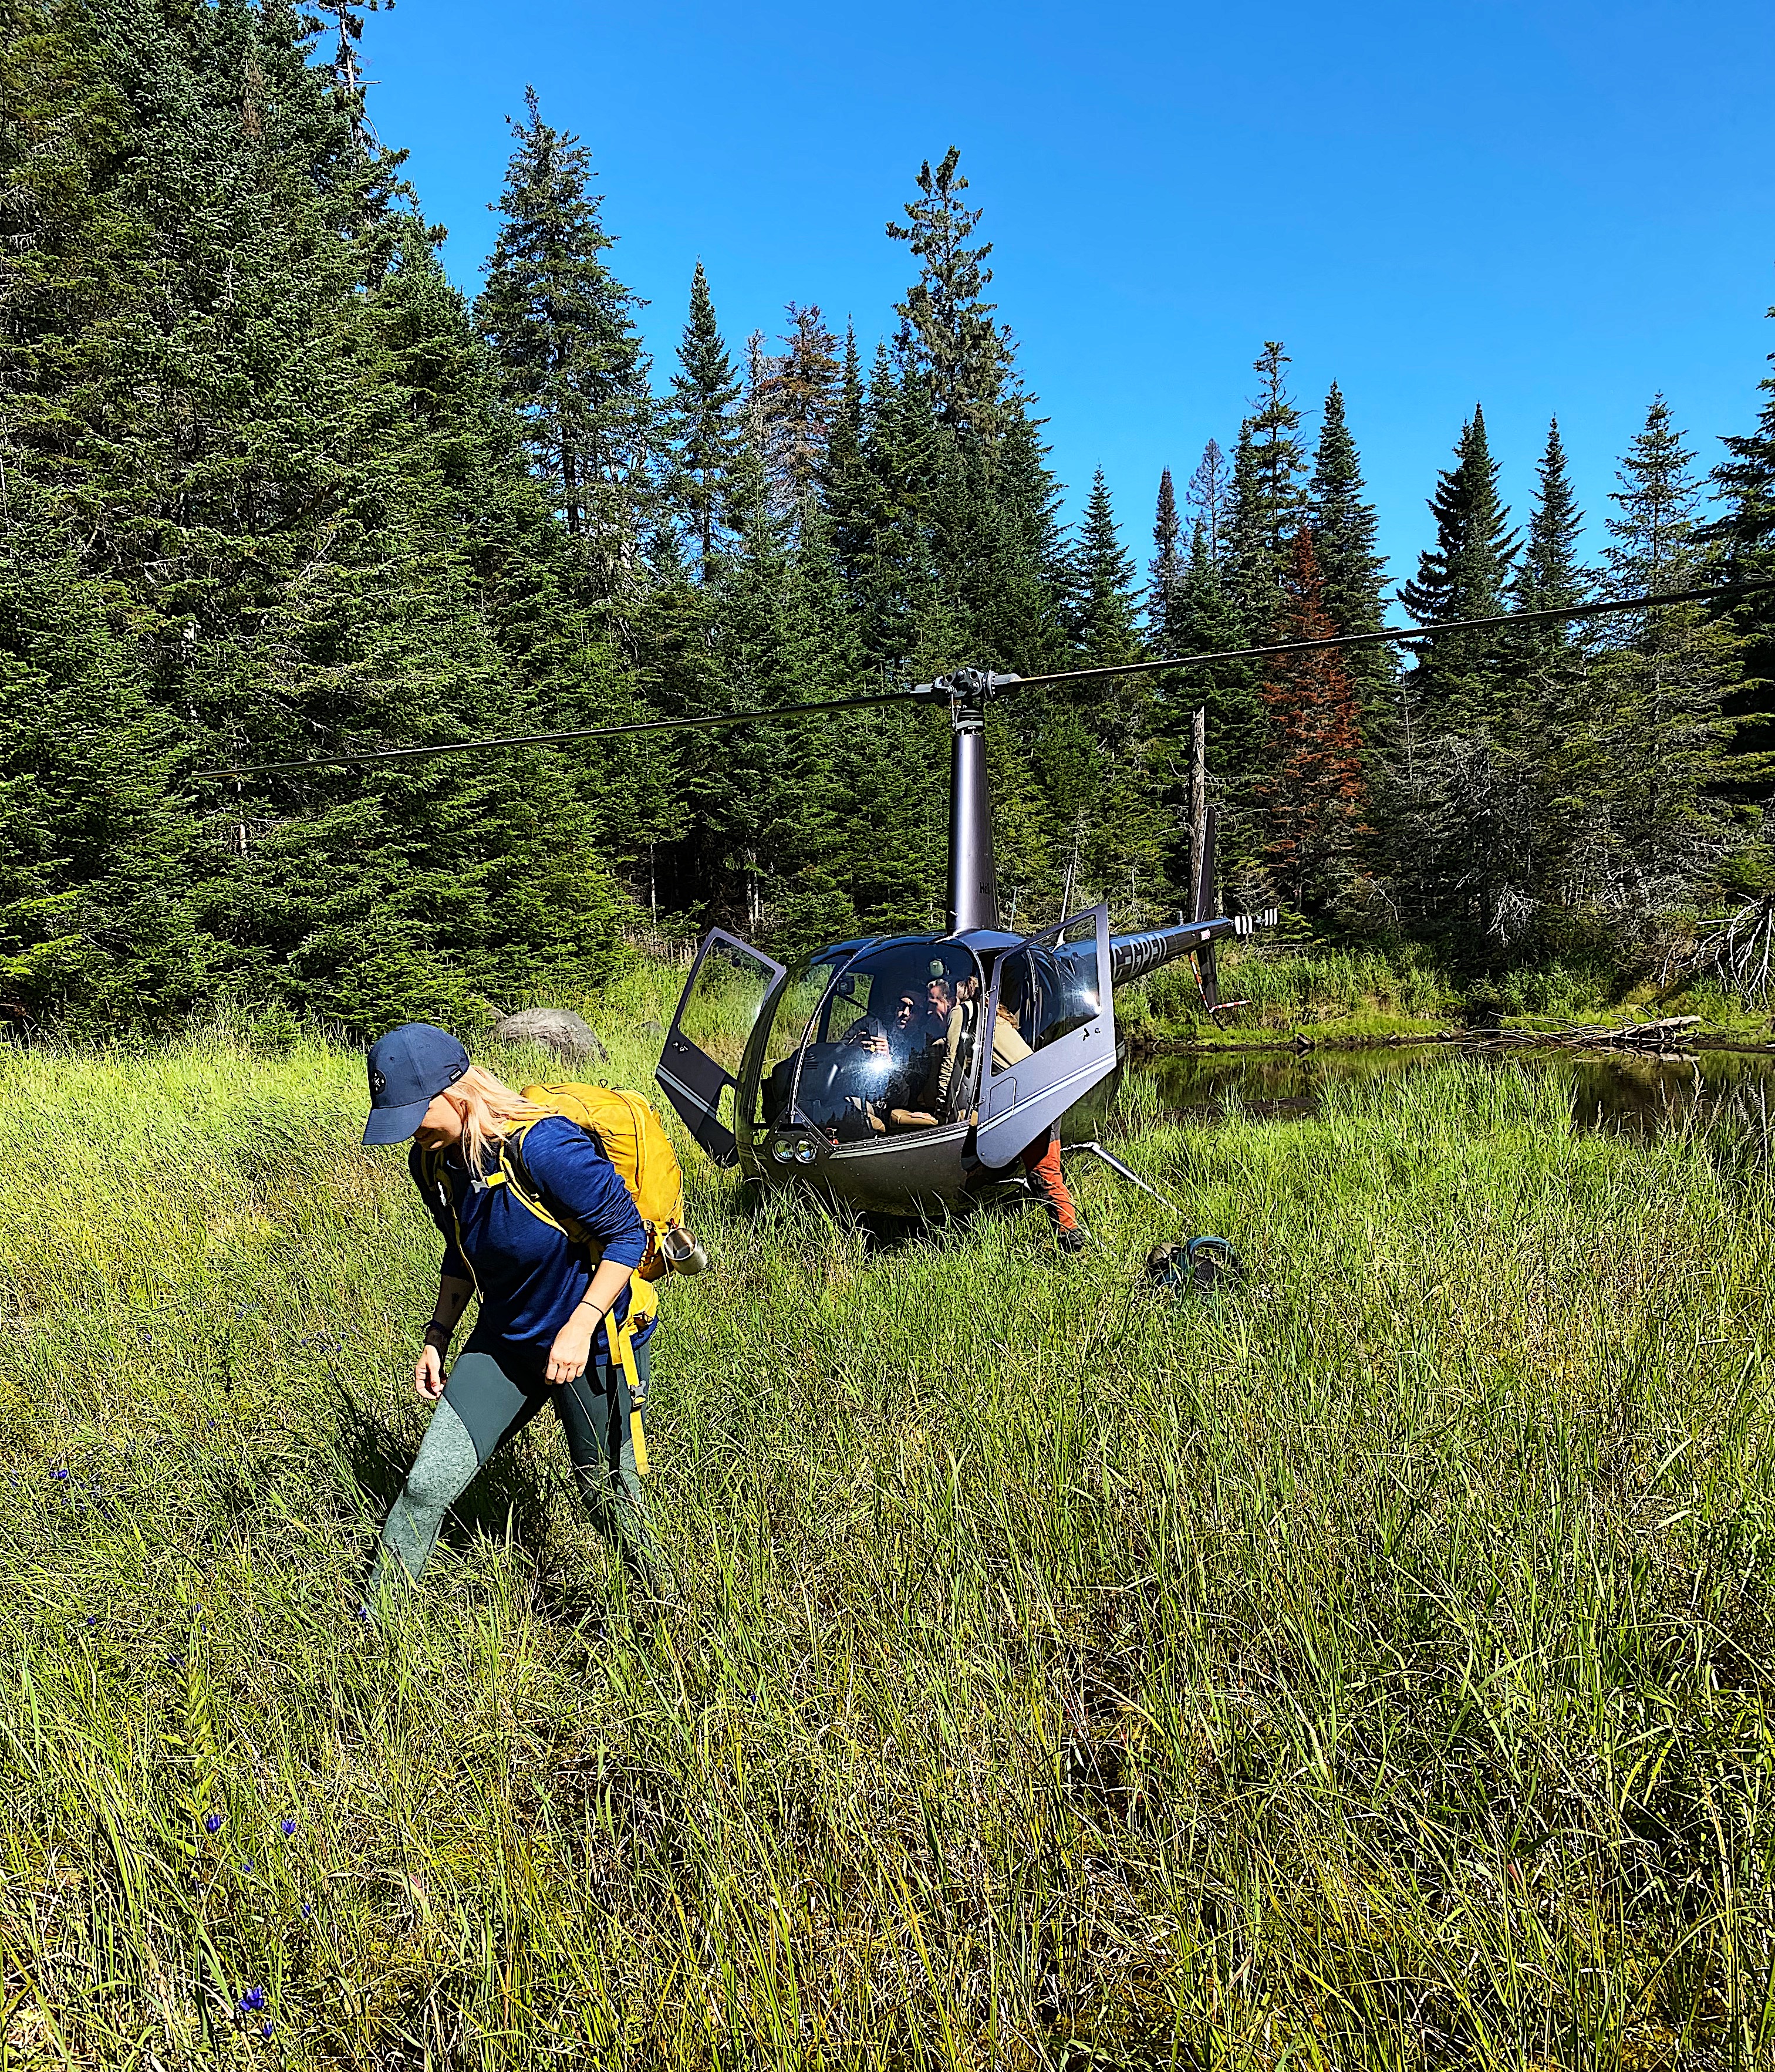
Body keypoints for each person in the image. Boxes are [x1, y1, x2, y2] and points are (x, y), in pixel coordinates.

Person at [359, 1022, 666, 1612]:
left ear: (456, 1092)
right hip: (506, 1342)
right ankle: (378, 1634)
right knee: (425, 1485)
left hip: (594, 1341)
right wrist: (437, 1335)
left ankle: (670, 1610)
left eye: (416, 1114)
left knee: (607, 1496)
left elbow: (627, 1234)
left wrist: (578, 1326)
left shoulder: (544, 1146)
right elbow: (462, 1248)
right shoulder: (433, 1163)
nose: (413, 1133)